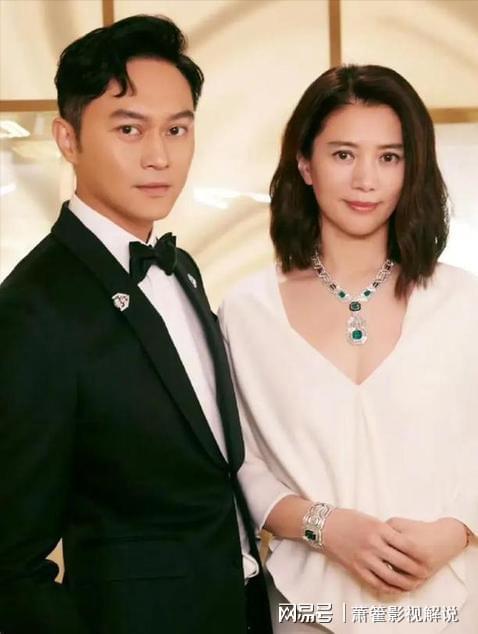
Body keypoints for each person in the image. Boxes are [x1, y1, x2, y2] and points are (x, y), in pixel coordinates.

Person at [0, 15, 272, 634]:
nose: (159, 156)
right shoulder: (33, 309)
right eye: (129, 129)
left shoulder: (183, 269)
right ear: (67, 138)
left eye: (177, 129)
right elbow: (9, 562)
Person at [219, 64, 478, 633]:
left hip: (450, 603)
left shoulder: (465, 302)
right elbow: (241, 466)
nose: (366, 179)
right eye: (343, 154)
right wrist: (325, 526)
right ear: (305, 164)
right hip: (308, 608)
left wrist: (456, 530)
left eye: (389, 157)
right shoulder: (247, 311)